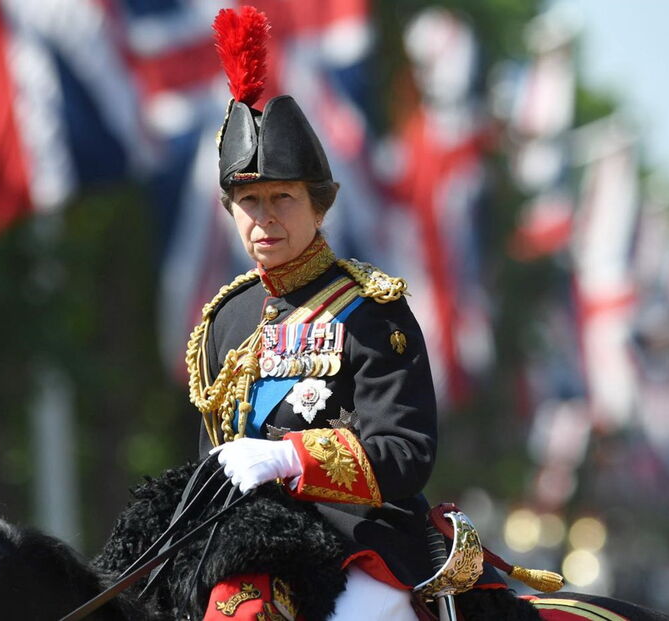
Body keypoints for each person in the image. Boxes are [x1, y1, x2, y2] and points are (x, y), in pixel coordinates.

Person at [182, 7, 505, 620]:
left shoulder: (369, 308)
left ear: (319, 207)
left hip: (357, 540)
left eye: (283, 197)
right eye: (249, 200)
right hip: (243, 547)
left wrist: (291, 458)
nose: (265, 216)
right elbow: (213, 461)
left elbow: (406, 451)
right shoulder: (225, 317)